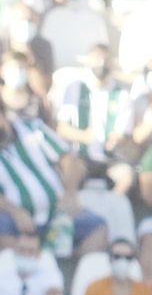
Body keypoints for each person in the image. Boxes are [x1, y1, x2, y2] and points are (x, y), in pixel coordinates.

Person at [0, 95, 106, 259]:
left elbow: (69, 161)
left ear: (5, 115)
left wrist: (70, 193)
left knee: (98, 229)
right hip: (14, 217)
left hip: (56, 210)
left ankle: (72, 272)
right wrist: (16, 212)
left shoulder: (33, 129)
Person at [58, 44, 136, 195]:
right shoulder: (75, 89)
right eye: (96, 59)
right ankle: (73, 207)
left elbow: (124, 133)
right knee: (70, 171)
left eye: (105, 60)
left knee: (126, 176)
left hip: (109, 159)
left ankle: (111, 206)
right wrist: (83, 136)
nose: (101, 64)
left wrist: (117, 140)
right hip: (80, 156)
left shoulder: (122, 94)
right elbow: (62, 128)